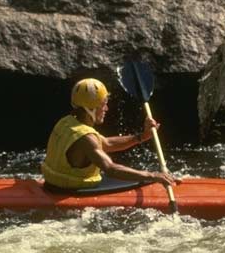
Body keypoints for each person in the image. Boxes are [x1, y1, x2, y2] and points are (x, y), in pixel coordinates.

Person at [41, 78, 179, 191]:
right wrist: (153, 175)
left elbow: (106, 143)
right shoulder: (86, 138)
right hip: (72, 190)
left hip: (52, 184)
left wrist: (141, 137)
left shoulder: (66, 122)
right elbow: (111, 169)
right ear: (91, 108)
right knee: (146, 181)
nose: (106, 108)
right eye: (103, 104)